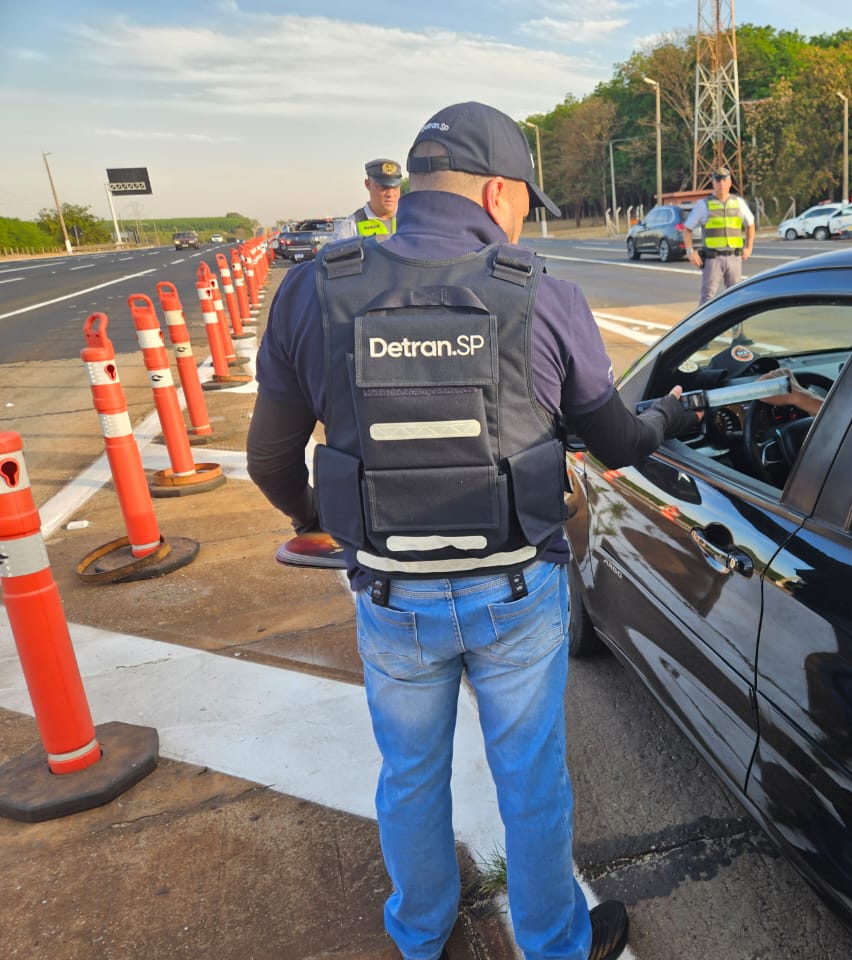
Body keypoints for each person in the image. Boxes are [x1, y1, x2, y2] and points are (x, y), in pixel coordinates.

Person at [246, 100, 699, 960]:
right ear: (496, 192)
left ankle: (420, 935)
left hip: (391, 594)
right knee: (530, 781)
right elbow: (618, 443)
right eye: (525, 198)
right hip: (515, 592)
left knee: (410, 776)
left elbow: (269, 458)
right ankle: (555, 943)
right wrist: (674, 414)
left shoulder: (314, 289)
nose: (523, 217)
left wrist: (321, 521)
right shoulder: (545, 295)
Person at [684, 165, 756, 306]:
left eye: (724, 180)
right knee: (707, 298)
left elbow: (750, 224)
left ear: (730, 183)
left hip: (734, 257)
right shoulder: (703, 205)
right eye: (718, 180)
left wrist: (749, 247)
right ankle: (704, 321)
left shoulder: (738, 203)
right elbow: (687, 229)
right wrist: (690, 252)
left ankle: (735, 322)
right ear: (713, 183)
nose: (721, 183)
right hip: (713, 259)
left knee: (736, 297)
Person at [332, 158, 403, 240]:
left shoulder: (410, 221)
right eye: (383, 187)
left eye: (395, 188)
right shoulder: (350, 229)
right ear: (368, 184)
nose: (390, 194)